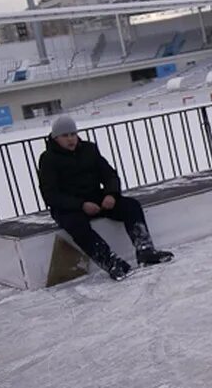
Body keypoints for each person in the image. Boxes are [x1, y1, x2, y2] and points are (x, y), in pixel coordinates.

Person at [38, 116, 173, 281]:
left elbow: (109, 175)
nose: (70, 138)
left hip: (96, 198)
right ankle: (111, 263)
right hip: (69, 208)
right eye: (65, 135)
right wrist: (81, 205)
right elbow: (50, 195)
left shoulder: (89, 149)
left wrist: (111, 194)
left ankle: (145, 251)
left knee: (131, 206)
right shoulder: (48, 159)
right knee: (77, 225)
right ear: (56, 137)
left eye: (73, 134)